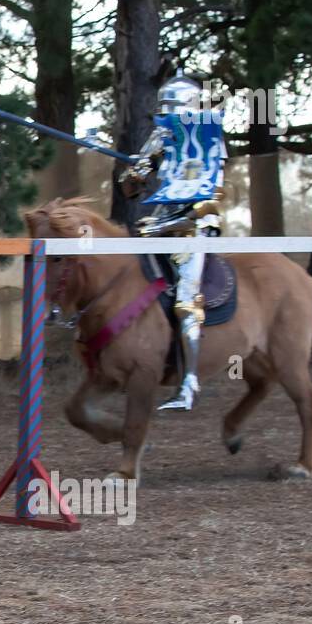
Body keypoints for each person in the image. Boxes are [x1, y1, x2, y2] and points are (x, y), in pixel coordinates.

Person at [119, 70, 227, 411]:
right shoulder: (161, 137)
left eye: (173, 107)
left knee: (185, 300)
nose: (168, 114)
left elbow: (210, 199)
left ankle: (188, 384)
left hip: (192, 226)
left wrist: (161, 230)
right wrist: (135, 172)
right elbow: (130, 187)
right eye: (164, 108)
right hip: (158, 220)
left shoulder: (208, 140)